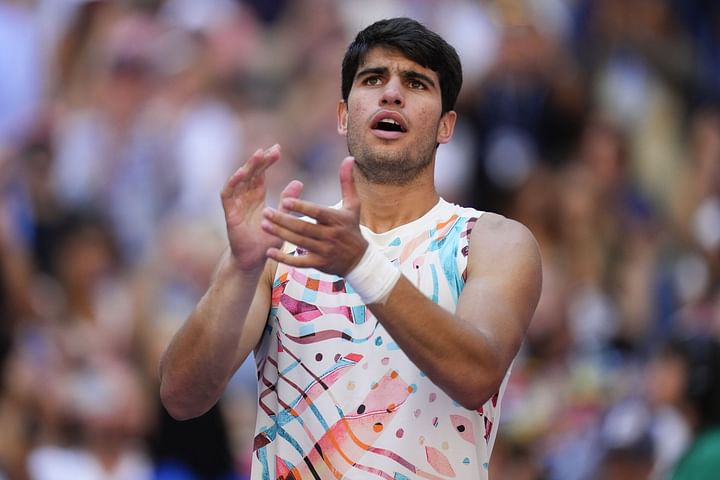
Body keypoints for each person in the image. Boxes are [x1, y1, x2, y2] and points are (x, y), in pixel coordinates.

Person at [159, 17, 542, 480]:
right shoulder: (282, 241)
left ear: (446, 126)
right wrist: (240, 269)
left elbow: (476, 375)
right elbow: (181, 397)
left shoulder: (493, 241)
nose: (392, 93)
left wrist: (361, 262)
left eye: (416, 82)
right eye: (373, 79)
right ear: (343, 115)